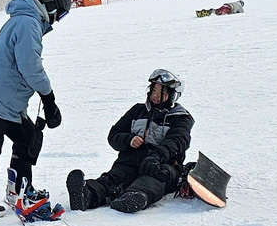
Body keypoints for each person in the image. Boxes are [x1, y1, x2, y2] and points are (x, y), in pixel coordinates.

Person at [0, 0, 72, 216]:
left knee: (28, 138)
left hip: (8, 102)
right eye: (60, 15)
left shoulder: (26, 20)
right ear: (51, 6)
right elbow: (30, 66)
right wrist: (49, 98)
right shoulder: (28, 24)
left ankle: (18, 189)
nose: (57, 20)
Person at [66, 68, 193, 213]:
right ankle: (87, 195)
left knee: (154, 178)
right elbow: (114, 135)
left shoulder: (181, 118)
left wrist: (156, 157)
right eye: (154, 90)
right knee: (115, 177)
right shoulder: (138, 111)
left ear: (173, 96)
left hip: (162, 164)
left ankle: (134, 197)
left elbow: (176, 141)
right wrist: (129, 140)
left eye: (162, 92)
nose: (156, 96)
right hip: (132, 159)